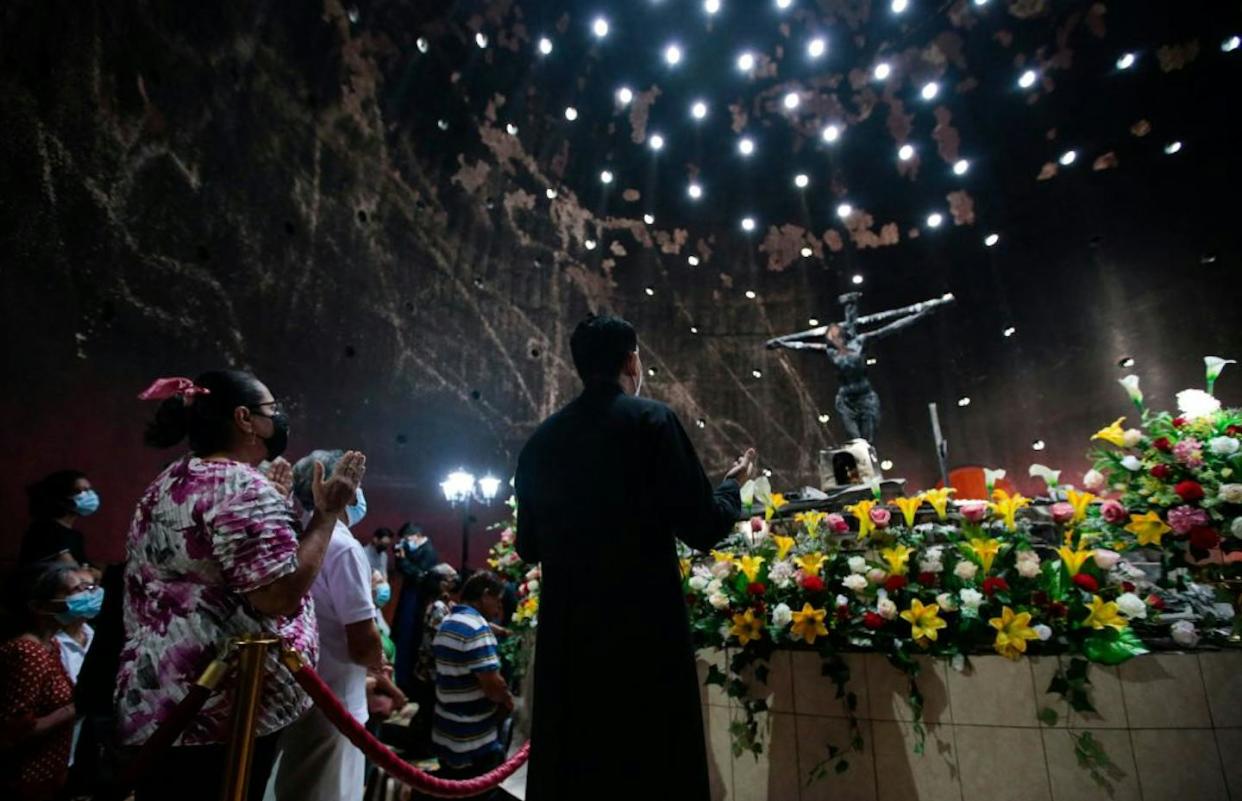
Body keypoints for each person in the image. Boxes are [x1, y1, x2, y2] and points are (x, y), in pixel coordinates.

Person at [514, 314, 756, 801]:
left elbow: (528, 547)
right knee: (651, 766)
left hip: (572, 644)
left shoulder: (541, 442)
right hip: (644, 637)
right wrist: (733, 486)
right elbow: (703, 525)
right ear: (631, 360)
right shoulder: (650, 420)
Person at [115, 371, 364, 801]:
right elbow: (277, 596)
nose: (281, 418)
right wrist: (326, 514)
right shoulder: (241, 486)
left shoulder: (172, 479)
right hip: (219, 705)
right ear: (245, 418)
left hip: (163, 692)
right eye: (273, 410)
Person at [272, 450, 386, 801]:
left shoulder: (295, 535)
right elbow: (362, 639)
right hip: (335, 697)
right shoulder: (343, 547)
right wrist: (378, 661)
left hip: (293, 689)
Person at [0, 564, 80, 801]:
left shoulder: (51, 644)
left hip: (49, 777)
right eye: (75, 591)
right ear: (39, 606)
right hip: (27, 780)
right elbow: (17, 729)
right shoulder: (28, 652)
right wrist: (74, 708)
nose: (87, 596)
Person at [430, 571, 514, 785]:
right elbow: (493, 688)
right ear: (485, 595)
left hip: (446, 729)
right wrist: (507, 699)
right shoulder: (477, 629)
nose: (498, 609)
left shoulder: (448, 622)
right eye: (497, 601)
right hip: (472, 739)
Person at [392, 522, 440, 693]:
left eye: (406, 539)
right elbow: (403, 571)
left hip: (417, 601)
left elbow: (420, 576)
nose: (405, 542)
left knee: (410, 638)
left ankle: (406, 682)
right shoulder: (415, 550)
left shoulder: (428, 551)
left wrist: (404, 559)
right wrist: (400, 558)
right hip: (409, 597)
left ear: (416, 536)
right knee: (402, 637)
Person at [19, 470, 99, 568]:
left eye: (89, 490)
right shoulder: (43, 530)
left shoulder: (76, 536)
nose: (90, 495)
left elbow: (91, 569)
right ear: (62, 496)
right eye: (80, 491)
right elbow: (71, 568)